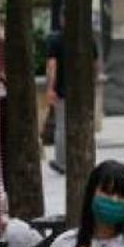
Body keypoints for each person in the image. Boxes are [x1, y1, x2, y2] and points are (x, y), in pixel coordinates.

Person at [44, 12, 101, 173]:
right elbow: (95, 65)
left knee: (62, 127)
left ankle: (62, 163)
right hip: (84, 92)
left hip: (63, 91)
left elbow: (52, 66)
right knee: (85, 125)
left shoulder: (55, 40)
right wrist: (93, 83)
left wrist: (50, 88)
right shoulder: (88, 39)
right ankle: (87, 160)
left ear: (63, 19)